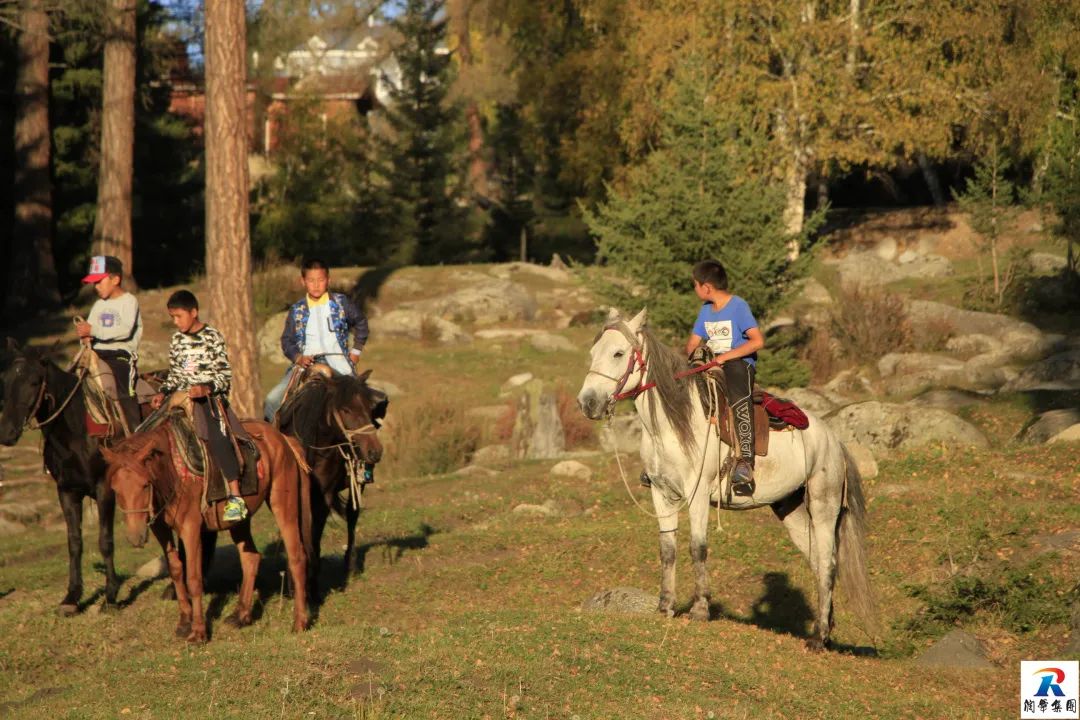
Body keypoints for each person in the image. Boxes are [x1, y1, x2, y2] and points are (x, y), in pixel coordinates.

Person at [262, 259, 375, 481]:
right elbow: (287, 341)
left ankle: (365, 462)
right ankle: (278, 458)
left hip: (339, 362)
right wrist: (298, 357)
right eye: (311, 280)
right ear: (303, 281)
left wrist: (356, 351)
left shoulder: (342, 303)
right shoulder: (297, 310)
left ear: (328, 280)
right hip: (307, 366)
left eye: (320, 280)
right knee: (272, 400)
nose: (316, 285)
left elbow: (361, 323)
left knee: (367, 401)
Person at [151, 290, 248, 522]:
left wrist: (206, 388)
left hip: (207, 398)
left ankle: (235, 496)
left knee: (216, 436)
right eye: (172, 317)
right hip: (180, 397)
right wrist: (162, 392)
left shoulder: (212, 336)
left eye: (179, 316)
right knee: (149, 429)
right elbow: (175, 374)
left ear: (193, 313)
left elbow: (224, 374)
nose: (176, 322)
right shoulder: (176, 340)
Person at [685, 259, 765, 497]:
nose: (695, 290)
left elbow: (757, 341)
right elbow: (692, 343)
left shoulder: (738, 306)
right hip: (711, 363)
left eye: (695, 285)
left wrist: (727, 356)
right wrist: (695, 356)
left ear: (706, 287)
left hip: (739, 364)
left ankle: (744, 462)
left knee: (738, 393)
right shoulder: (705, 311)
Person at [76, 255, 142, 434]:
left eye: (99, 282)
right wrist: (85, 337)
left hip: (120, 355)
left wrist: (93, 331)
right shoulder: (98, 305)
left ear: (115, 279)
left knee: (123, 390)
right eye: (94, 283)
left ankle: (136, 435)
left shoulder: (129, 301)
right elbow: (90, 330)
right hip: (97, 353)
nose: (96, 287)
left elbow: (125, 330)